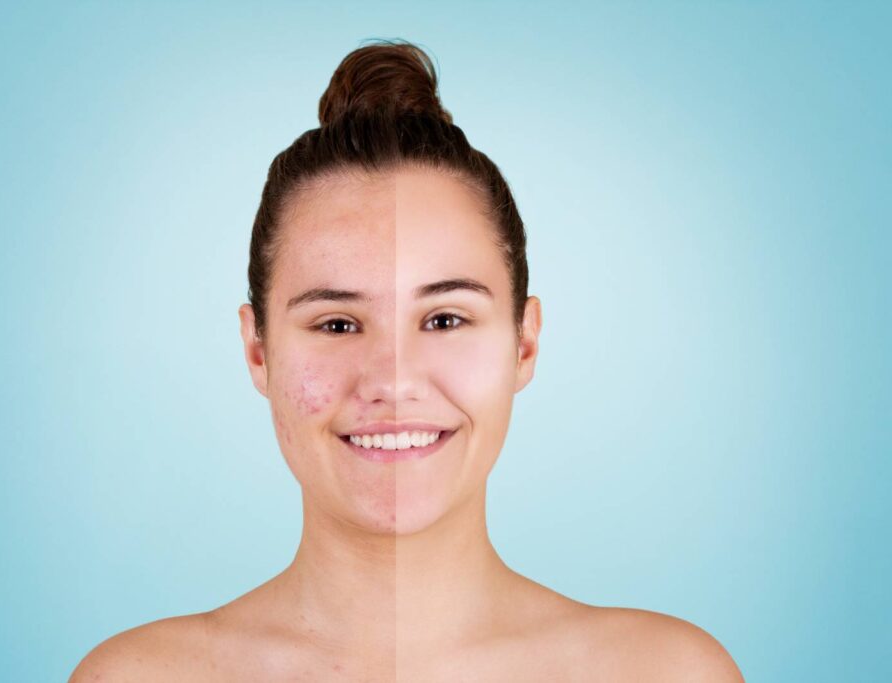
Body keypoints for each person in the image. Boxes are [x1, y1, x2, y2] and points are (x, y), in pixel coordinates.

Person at [71, 40, 743, 681]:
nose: (392, 379)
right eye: (337, 323)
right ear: (258, 351)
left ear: (524, 343)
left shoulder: (666, 673)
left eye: (444, 319)